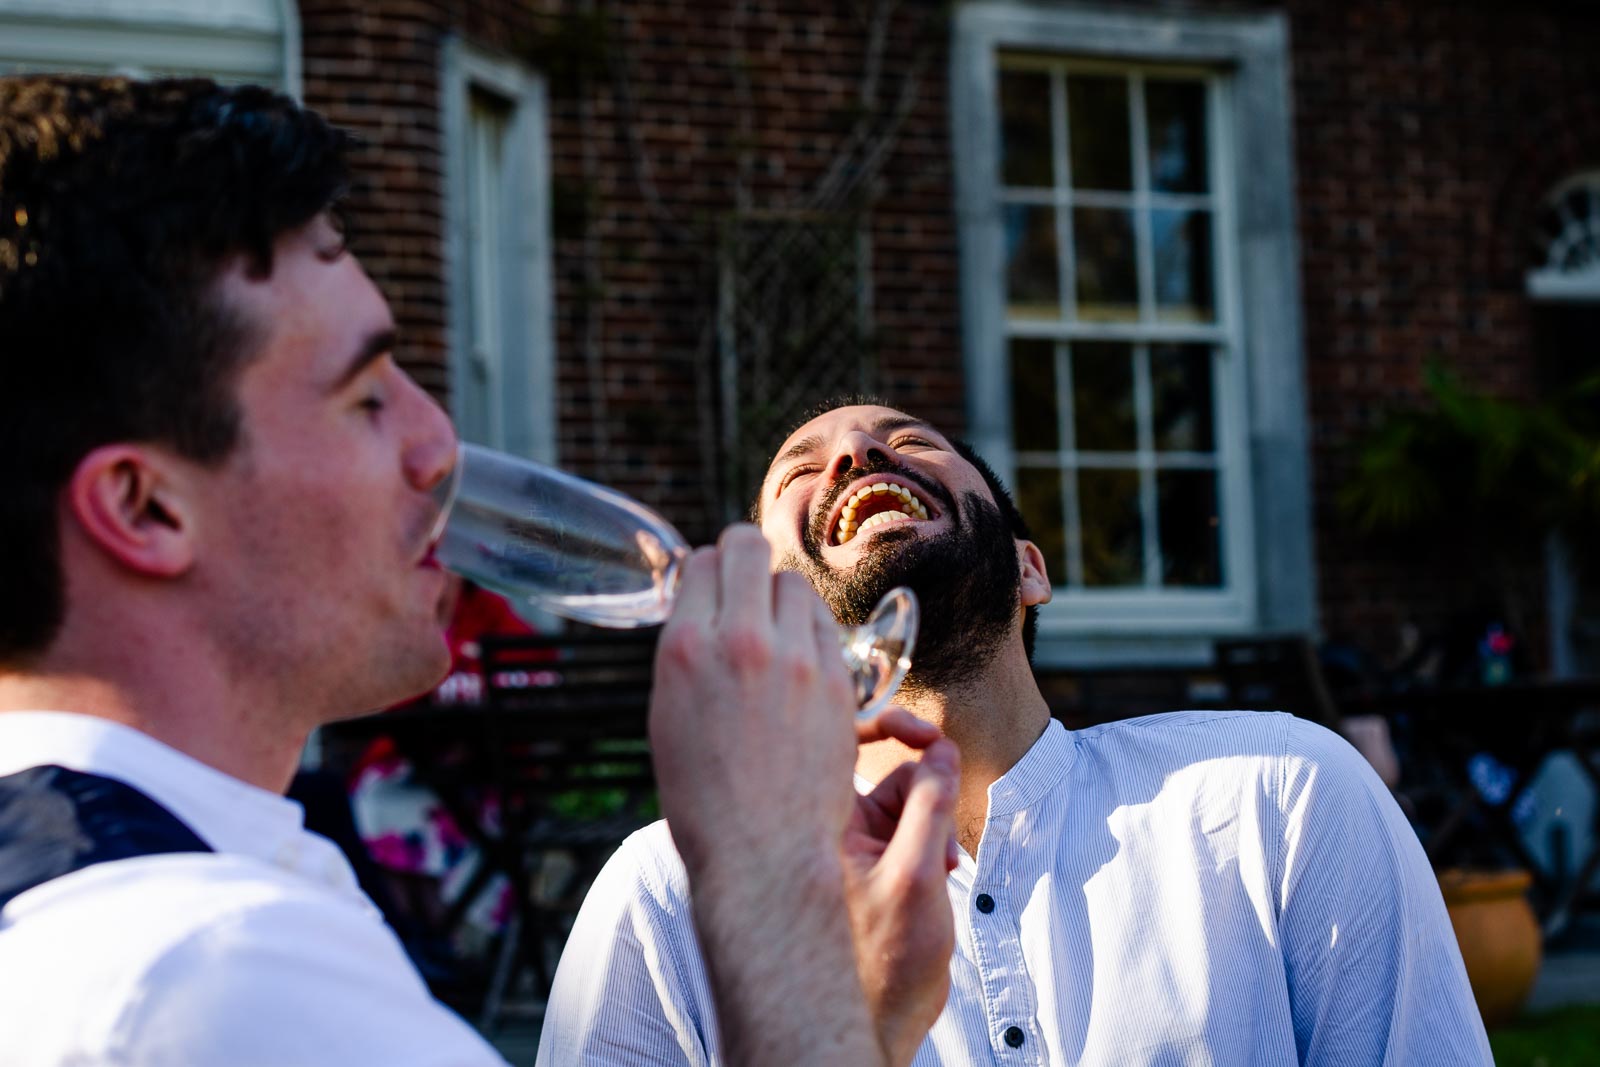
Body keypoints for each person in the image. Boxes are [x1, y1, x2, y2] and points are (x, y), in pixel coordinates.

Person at [0, 77, 956, 1067]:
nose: (436, 445)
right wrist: (770, 896)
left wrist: (863, 1022)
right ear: (144, 507)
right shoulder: (215, 979)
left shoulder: (90, 899)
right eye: (366, 394)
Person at [539, 400, 1495, 1065]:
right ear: (774, 608)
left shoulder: (1279, 795)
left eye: (910, 440)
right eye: (801, 469)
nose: (855, 457)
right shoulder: (669, 894)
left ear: (1030, 569)